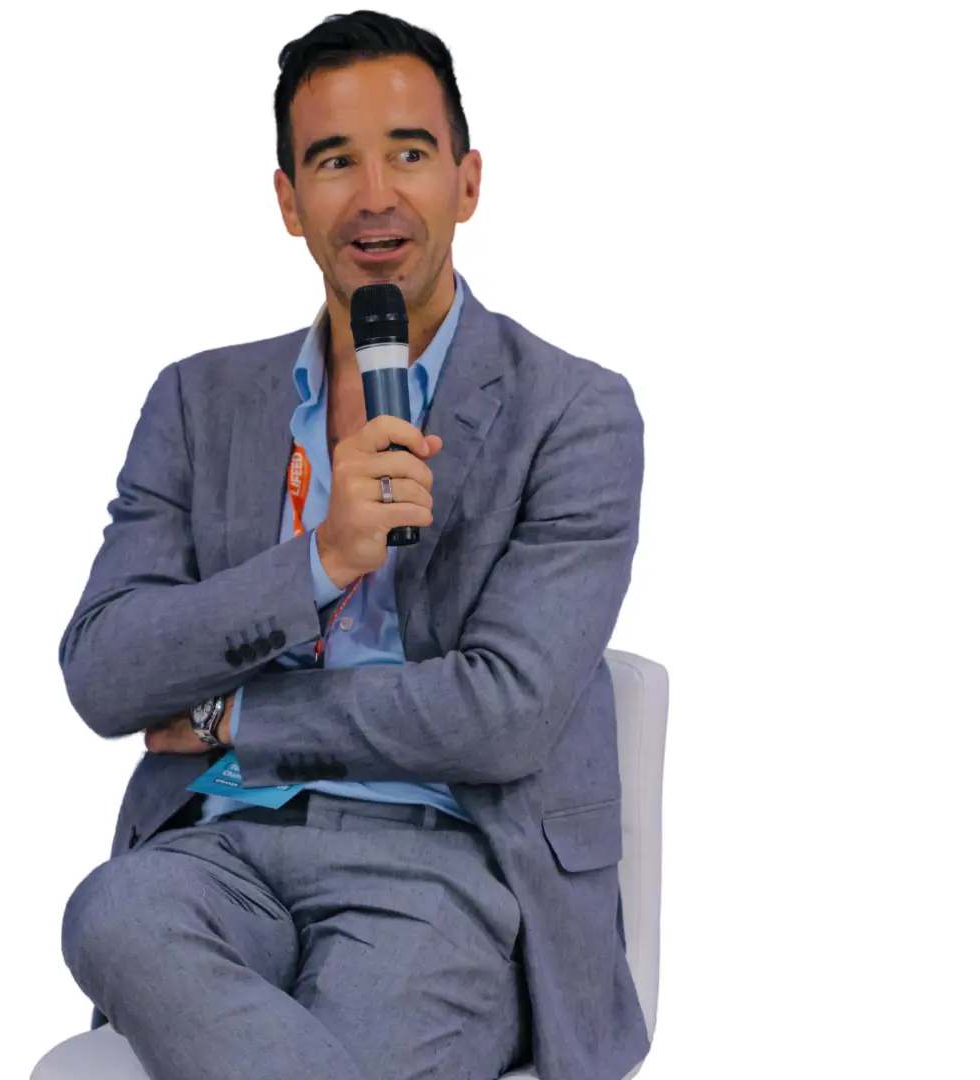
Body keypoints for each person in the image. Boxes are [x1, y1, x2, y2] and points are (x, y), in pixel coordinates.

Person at [57, 10, 647, 1079]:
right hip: (214, 854)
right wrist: (321, 560)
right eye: (334, 161)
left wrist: (233, 718)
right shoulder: (197, 401)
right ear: (290, 200)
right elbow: (104, 672)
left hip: (440, 867)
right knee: (111, 910)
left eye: (409, 155)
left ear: (467, 182)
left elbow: (503, 714)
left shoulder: (574, 412)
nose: (375, 195)